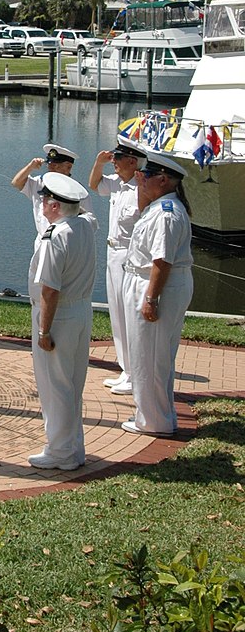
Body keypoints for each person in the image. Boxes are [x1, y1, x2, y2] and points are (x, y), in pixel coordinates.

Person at [120, 151, 193, 437]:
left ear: (163, 180)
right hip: (149, 282)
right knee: (152, 354)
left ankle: (154, 421)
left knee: (149, 355)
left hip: (156, 285)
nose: (142, 179)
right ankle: (157, 412)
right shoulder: (159, 206)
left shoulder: (166, 214)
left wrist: (151, 299)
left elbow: (162, 261)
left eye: (147, 176)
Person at [27, 172, 96, 470]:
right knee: (72, 383)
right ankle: (73, 447)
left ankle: (60, 451)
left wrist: (44, 329)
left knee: (55, 385)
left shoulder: (54, 236)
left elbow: (50, 289)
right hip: (81, 311)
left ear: (55, 206)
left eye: (46, 198)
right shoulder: (84, 226)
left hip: (60, 316)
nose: (41, 202)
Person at [88, 136, 148, 394]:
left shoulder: (141, 188)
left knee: (129, 313)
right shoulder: (118, 184)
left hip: (130, 256)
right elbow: (94, 185)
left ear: (133, 162)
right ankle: (126, 369)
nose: (114, 162)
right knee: (116, 313)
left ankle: (136, 373)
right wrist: (98, 163)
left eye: (118, 158)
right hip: (113, 253)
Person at [11, 143, 96, 236]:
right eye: (49, 164)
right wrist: (30, 167)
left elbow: (91, 223)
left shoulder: (77, 192)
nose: (51, 168)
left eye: (56, 165)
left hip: (65, 239)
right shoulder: (40, 182)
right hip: (43, 239)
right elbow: (16, 183)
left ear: (68, 167)